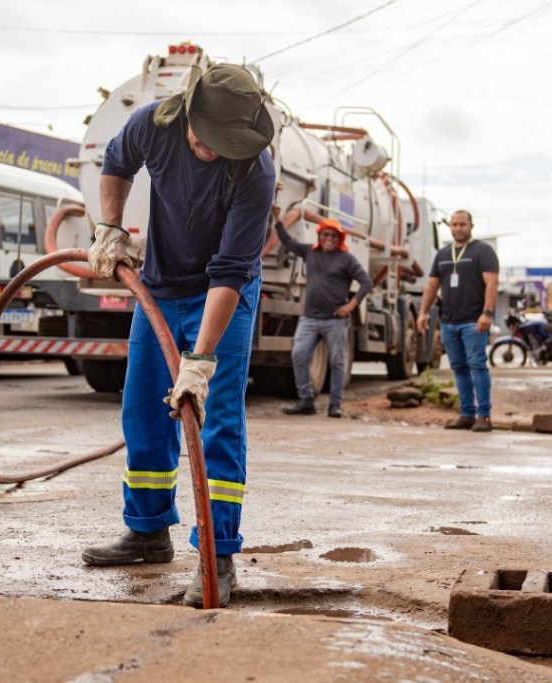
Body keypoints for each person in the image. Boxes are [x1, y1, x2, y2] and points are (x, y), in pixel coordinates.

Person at [81, 64, 276, 609]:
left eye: (225, 145)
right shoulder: (153, 124)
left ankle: (218, 554)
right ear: (189, 115)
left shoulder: (255, 171)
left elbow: (231, 271)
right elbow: (116, 164)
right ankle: (146, 532)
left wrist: (201, 361)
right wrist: (111, 226)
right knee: (143, 410)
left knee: (216, 422)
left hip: (226, 296)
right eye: (205, 141)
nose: (213, 151)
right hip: (160, 290)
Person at [274, 208, 373, 418]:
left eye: (333, 235)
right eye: (325, 234)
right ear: (319, 235)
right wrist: (277, 220)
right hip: (309, 318)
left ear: (339, 238)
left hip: (334, 321)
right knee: (299, 355)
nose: (329, 238)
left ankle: (335, 405)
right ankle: (306, 400)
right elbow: (288, 243)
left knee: (337, 362)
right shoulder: (310, 251)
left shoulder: (347, 259)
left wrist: (351, 305)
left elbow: (366, 282)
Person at [416, 210, 499, 432]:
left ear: (471, 226)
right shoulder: (443, 254)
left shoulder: (483, 251)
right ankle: (466, 414)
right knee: (459, 367)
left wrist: (487, 313)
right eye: (454, 224)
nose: (458, 228)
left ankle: (484, 416)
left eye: (463, 224)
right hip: (449, 322)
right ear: (450, 227)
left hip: (473, 321)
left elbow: (492, 283)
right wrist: (423, 312)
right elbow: (432, 285)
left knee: (477, 365)